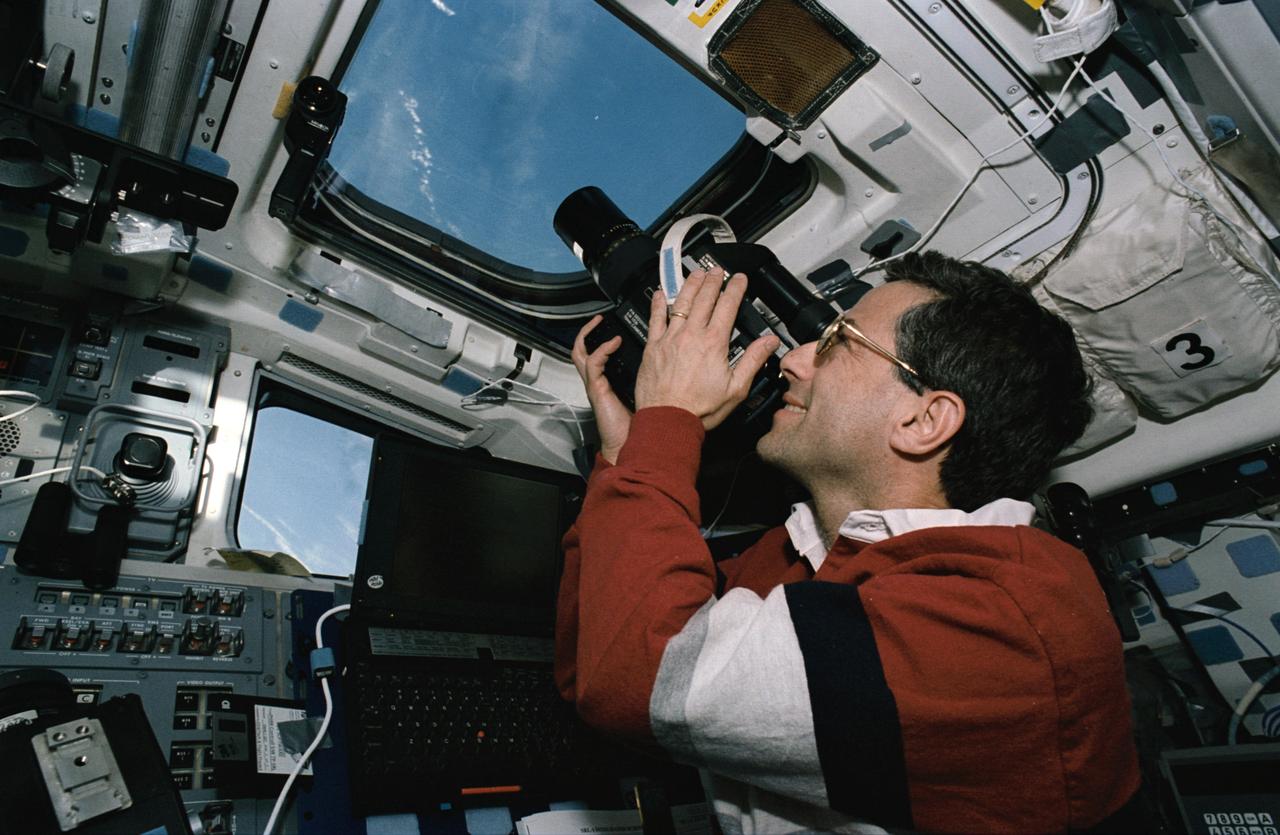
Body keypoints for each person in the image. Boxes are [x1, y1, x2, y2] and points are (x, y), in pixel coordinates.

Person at [555, 250, 1141, 834]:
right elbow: (598, 665)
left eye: (837, 343)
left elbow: (639, 684)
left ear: (922, 422)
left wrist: (668, 423)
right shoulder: (799, 552)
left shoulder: (1004, 621)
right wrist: (625, 457)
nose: (797, 359)